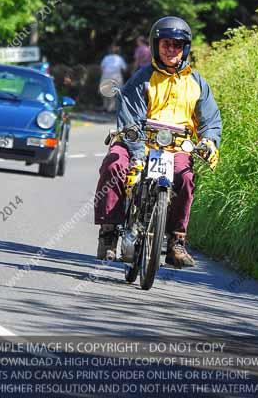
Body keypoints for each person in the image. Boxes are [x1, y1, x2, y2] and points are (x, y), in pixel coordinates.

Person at [94, 16, 221, 268]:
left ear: (185, 48)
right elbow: (130, 118)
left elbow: (210, 120)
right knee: (114, 164)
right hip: (137, 142)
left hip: (176, 148)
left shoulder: (197, 83)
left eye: (177, 44)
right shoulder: (141, 78)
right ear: (156, 46)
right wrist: (138, 153)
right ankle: (108, 232)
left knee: (184, 177)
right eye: (166, 44)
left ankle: (176, 241)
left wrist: (209, 141)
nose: (171, 49)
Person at [99, 45, 127, 113]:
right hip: (116, 75)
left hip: (106, 74)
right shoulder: (119, 58)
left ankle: (105, 106)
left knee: (105, 90)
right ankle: (111, 108)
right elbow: (124, 68)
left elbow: (102, 67)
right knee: (115, 91)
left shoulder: (106, 58)